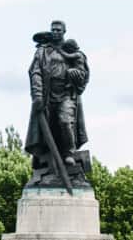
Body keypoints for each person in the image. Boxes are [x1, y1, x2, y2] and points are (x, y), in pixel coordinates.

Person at [25, 21, 90, 179]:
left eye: (58, 30)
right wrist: (38, 95)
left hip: (66, 94)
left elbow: (84, 73)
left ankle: (69, 152)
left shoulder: (72, 51)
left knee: (65, 122)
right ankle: (48, 160)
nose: (55, 32)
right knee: (48, 130)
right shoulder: (43, 51)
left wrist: (77, 74)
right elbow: (35, 72)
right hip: (47, 96)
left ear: (64, 31)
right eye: (53, 29)